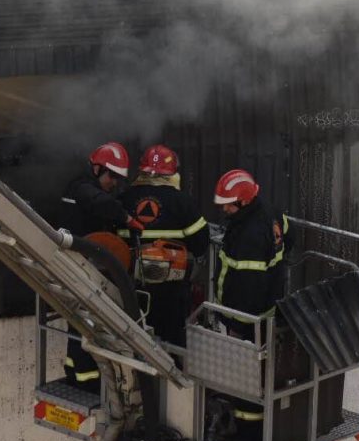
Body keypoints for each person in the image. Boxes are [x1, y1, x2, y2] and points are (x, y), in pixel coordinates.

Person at [58, 142, 144, 392]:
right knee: (88, 322)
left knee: (78, 321)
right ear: (97, 168)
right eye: (112, 177)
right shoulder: (81, 188)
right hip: (80, 267)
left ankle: (76, 373)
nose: (114, 183)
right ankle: (87, 379)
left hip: (79, 264)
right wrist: (128, 219)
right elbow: (100, 203)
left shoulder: (82, 188)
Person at [118, 144, 208, 347]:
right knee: (172, 342)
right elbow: (201, 244)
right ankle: (172, 375)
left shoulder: (123, 199)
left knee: (133, 339)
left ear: (141, 170)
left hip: (130, 288)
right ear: (172, 173)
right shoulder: (183, 202)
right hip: (172, 292)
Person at [212, 168, 285, 334]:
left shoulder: (251, 235)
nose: (225, 209)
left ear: (244, 202)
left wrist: (236, 320)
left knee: (244, 356)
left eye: (229, 204)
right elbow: (290, 235)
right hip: (263, 311)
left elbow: (249, 284)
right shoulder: (270, 212)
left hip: (244, 319)